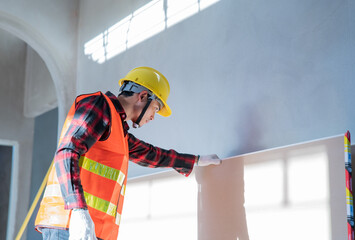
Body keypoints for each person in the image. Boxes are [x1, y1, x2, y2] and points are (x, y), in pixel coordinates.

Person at [34, 66, 221, 240]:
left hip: (90, 227)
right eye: (155, 108)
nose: (153, 117)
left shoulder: (118, 128)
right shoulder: (100, 105)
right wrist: (78, 211)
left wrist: (196, 160)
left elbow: (150, 154)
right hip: (70, 222)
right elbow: (68, 152)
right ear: (142, 97)